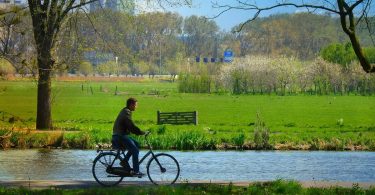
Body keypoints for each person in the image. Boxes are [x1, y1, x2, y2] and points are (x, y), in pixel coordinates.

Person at [112, 97, 145, 176]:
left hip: (119, 135)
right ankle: (136, 171)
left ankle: (124, 161)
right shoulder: (126, 112)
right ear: (131, 104)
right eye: (135, 105)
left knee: (136, 144)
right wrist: (140, 132)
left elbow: (130, 126)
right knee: (135, 150)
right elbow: (131, 126)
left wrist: (139, 132)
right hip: (120, 136)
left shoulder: (125, 110)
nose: (136, 107)